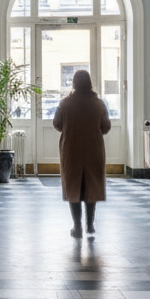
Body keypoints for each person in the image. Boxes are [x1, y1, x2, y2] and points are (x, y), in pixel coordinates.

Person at [52, 69, 111, 237]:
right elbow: (106, 127)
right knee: (91, 186)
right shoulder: (99, 103)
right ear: (90, 83)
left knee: (73, 187)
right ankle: (90, 225)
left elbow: (57, 124)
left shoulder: (65, 103)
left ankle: (77, 226)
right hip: (93, 150)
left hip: (71, 151)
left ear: (74, 83)